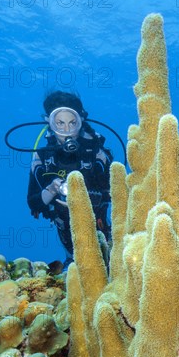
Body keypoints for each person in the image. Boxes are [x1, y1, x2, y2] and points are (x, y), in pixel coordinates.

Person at [27, 91, 113, 267]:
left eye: (72, 123)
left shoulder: (96, 152)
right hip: (65, 229)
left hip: (100, 226)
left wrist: (92, 198)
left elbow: (115, 190)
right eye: (60, 123)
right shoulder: (42, 157)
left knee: (111, 262)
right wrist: (52, 190)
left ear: (81, 121)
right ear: (49, 123)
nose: (67, 131)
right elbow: (33, 202)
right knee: (77, 267)